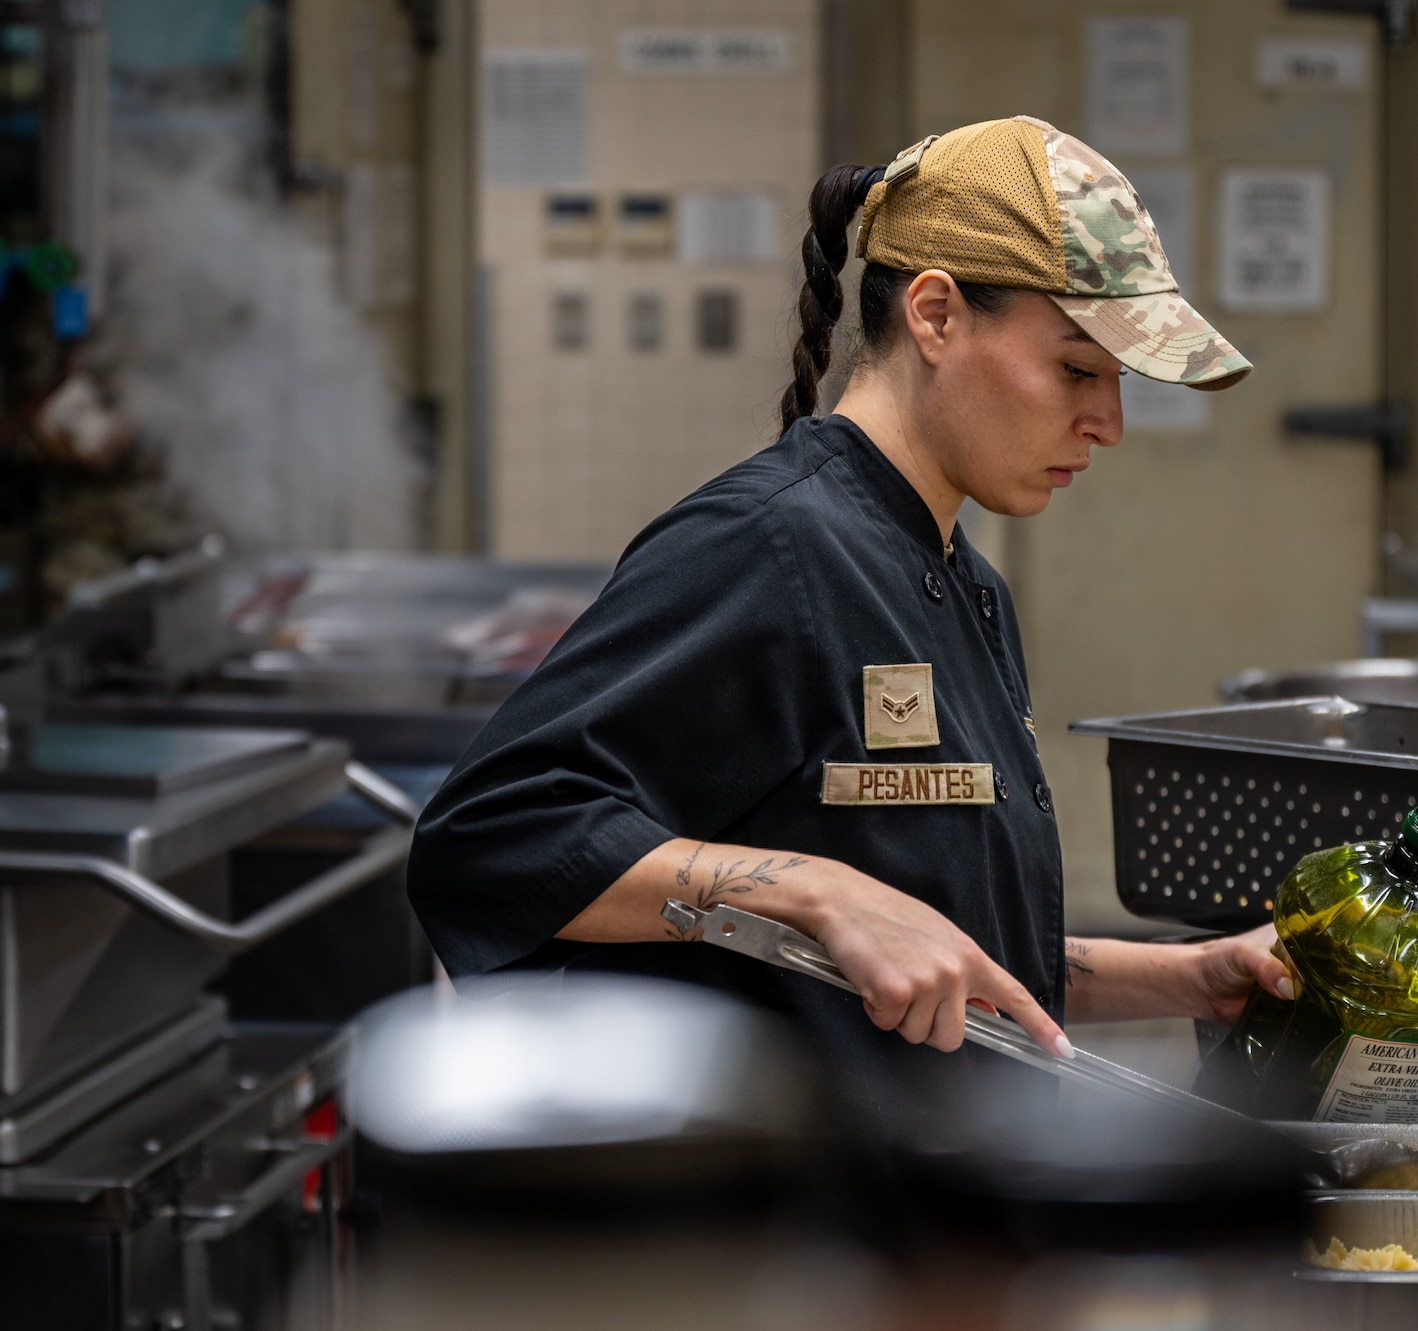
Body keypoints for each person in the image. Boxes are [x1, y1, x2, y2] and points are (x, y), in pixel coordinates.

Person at [407, 116, 1293, 1118]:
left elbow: (935, 939)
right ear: (934, 313)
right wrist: (817, 889)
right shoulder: (764, 546)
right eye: (1077, 369)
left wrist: (1182, 973)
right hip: (779, 1237)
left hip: (927, 1219)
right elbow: (493, 833)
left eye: (1117, 382)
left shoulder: (961, 579)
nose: (1107, 422)